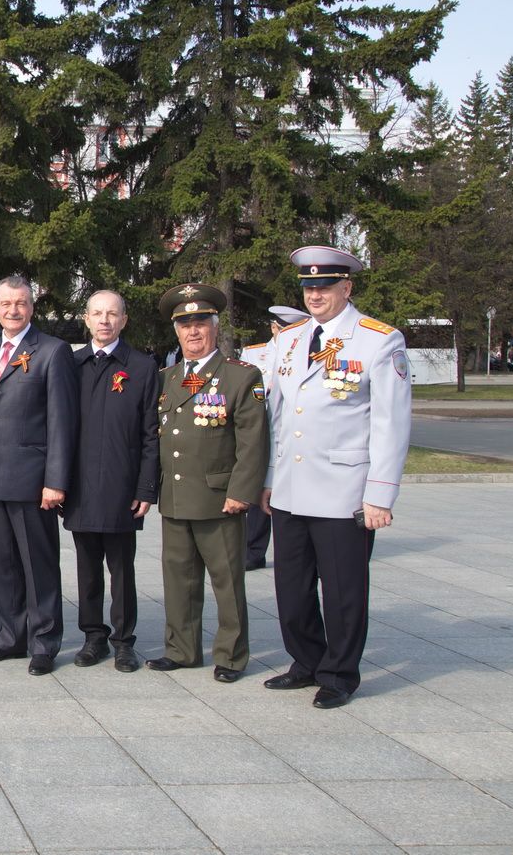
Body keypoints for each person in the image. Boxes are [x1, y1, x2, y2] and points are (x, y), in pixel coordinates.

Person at [261, 246, 411, 709]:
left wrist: (380, 495)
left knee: (344, 590)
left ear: (347, 287)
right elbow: (277, 416)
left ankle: (340, 673)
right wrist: (268, 478)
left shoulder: (378, 341)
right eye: (308, 287)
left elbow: (391, 423)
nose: (315, 295)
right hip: (289, 487)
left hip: (344, 490)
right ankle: (306, 660)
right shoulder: (288, 340)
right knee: (291, 586)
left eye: (325, 286)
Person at [147, 284, 268, 684]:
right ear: (176, 331)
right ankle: (181, 650)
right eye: (185, 325)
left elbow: (252, 442)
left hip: (219, 499)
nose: (193, 332)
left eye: (200, 323)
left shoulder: (240, 377)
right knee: (178, 579)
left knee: (227, 582)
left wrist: (241, 492)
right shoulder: (166, 379)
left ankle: (231, 656)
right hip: (177, 496)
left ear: (215, 328)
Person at [0, 275, 77, 675]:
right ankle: (8, 637)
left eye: (21, 303)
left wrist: (56, 481)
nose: (12, 310)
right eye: (5, 303)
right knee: (0, 565)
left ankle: (44, 642)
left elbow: (62, 422)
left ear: (32, 307)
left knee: (39, 565)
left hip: (33, 481)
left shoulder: (53, 351)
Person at [62, 289, 159, 673]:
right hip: (81, 487)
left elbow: (151, 433)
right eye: (97, 314)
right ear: (86, 319)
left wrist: (146, 488)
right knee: (86, 569)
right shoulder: (71, 364)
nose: (105, 321)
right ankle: (93, 637)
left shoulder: (141, 366)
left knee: (122, 570)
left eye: (112, 314)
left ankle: (123, 641)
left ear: (124, 320)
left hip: (122, 487)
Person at [240, 305, 307, 570]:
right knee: (258, 490)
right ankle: (253, 549)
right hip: (260, 432)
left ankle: (293, 547)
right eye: (283, 329)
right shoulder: (254, 354)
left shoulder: (307, 355)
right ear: (273, 328)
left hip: (291, 433)